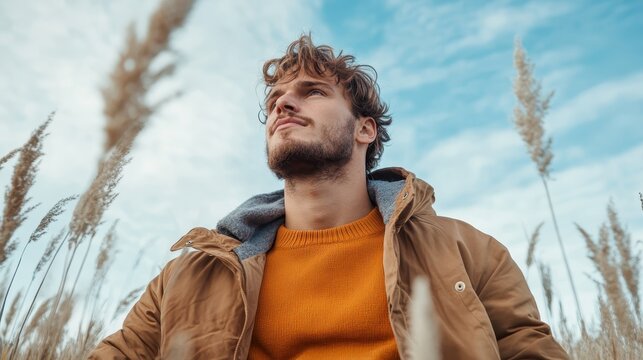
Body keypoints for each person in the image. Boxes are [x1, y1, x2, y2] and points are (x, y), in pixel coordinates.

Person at [90, 35, 568, 359]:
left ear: (365, 129)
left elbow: (529, 349)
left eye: (311, 91)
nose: (281, 103)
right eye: (274, 98)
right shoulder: (193, 273)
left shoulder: (466, 251)